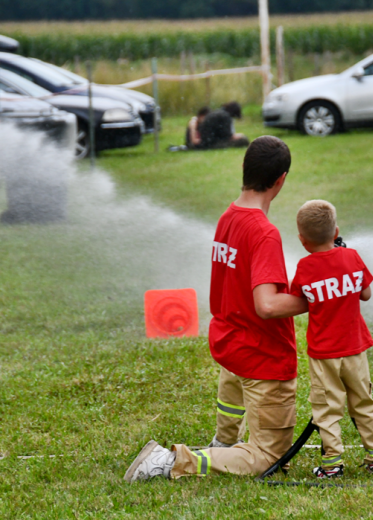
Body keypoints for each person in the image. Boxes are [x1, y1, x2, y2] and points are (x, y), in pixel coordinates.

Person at [124, 136, 307, 483]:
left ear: (244, 168)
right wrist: (316, 299)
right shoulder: (264, 233)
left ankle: (223, 441)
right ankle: (172, 461)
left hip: (232, 347)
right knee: (270, 456)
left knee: (232, 402)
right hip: (262, 356)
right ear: (281, 179)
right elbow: (267, 305)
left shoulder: (230, 216)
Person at [289, 200, 373, 478]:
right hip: (355, 349)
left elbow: (300, 300)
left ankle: (332, 464)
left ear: (302, 241)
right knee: (364, 401)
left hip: (324, 354)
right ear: (336, 231)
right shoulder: (352, 256)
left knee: (327, 408)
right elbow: (366, 295)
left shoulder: (305, 267)